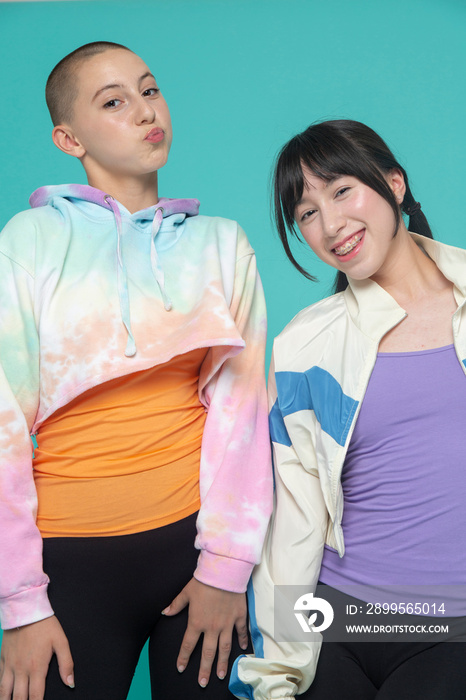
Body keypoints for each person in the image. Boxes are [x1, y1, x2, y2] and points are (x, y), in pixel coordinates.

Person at [0, 41, 272, 700]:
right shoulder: (31, 239)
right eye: (114, 101)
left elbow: (245, 410)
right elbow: (3, 421)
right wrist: (21, 606)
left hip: (196, 559)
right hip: (70, 563)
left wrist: (227, 570)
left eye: (149, 90)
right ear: (69, 137)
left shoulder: (221, 243)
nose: (146, 111)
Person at [231, 119, 466, 699]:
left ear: (394, 183)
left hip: (451, 629)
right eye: (306, 212)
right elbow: (295, 514)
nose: (330, 225)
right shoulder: (306, 344)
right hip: (334, 620)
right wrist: (280, 667)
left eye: (341, 191)